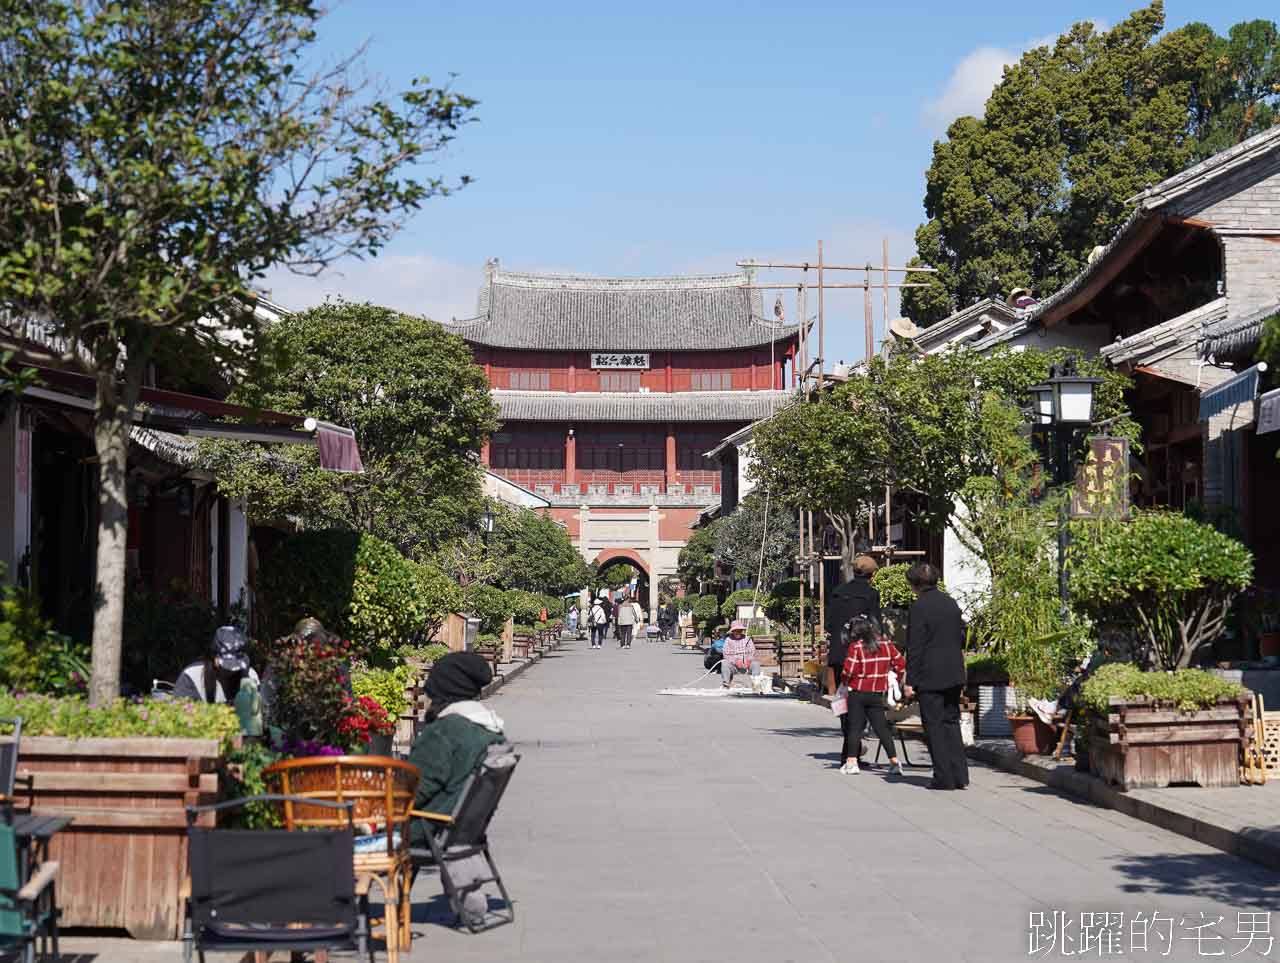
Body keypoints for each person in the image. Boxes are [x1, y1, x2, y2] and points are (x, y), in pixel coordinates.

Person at [407, 652, 506, 927]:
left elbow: (413, 788)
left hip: (423, 828)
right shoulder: (490, 729)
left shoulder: (446, 732)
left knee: (339, 829)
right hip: (460, 828)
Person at [902, 562, 969, 791]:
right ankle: (960, 775)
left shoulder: (919, 607)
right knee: (951, 722)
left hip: (930, 674)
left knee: (934, 725)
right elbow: (961, 634)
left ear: (916, 584)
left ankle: (943, 777)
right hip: (954, 672)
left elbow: (915, 646)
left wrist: (910, 681)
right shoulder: (950, 603)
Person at [825, 555, 883, 758]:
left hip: (840, 654)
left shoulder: (838, 592)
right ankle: (852, 750)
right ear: (873, 574)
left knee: (844, 701)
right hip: (864, 655)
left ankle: (850, 748)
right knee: (862, 703)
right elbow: (876, 627)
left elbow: (828, 625)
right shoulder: (871, 594)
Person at [840, 616, 905, 776]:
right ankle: (894, 762)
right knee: (882, 728)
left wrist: (844, 681)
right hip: (877, 693)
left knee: (855, 728)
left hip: (858, 692)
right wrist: (892, 677)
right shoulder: (886, 644)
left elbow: (849, 670)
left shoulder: (856, 647)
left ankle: (851, 762)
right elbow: (900, 663)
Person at [175, 625, 259, 704]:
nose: (230, 670)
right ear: (213, 656)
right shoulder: (191, 676)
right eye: (227, 663)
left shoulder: (251, 676)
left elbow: (254, 713)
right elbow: (182, 712)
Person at [720, 621, 758, 688]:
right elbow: (726, 654)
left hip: (747, 664)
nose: (738, 632)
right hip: (734, 665)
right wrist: (736, 661)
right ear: (733, 631)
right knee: (724, 664)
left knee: (755, 664)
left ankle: (756, 683)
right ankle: (726, 683)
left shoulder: (747, 639)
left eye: (740, 630)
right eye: (736, 631)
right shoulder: (728, 640)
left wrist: (748, 660)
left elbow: (752, 652)